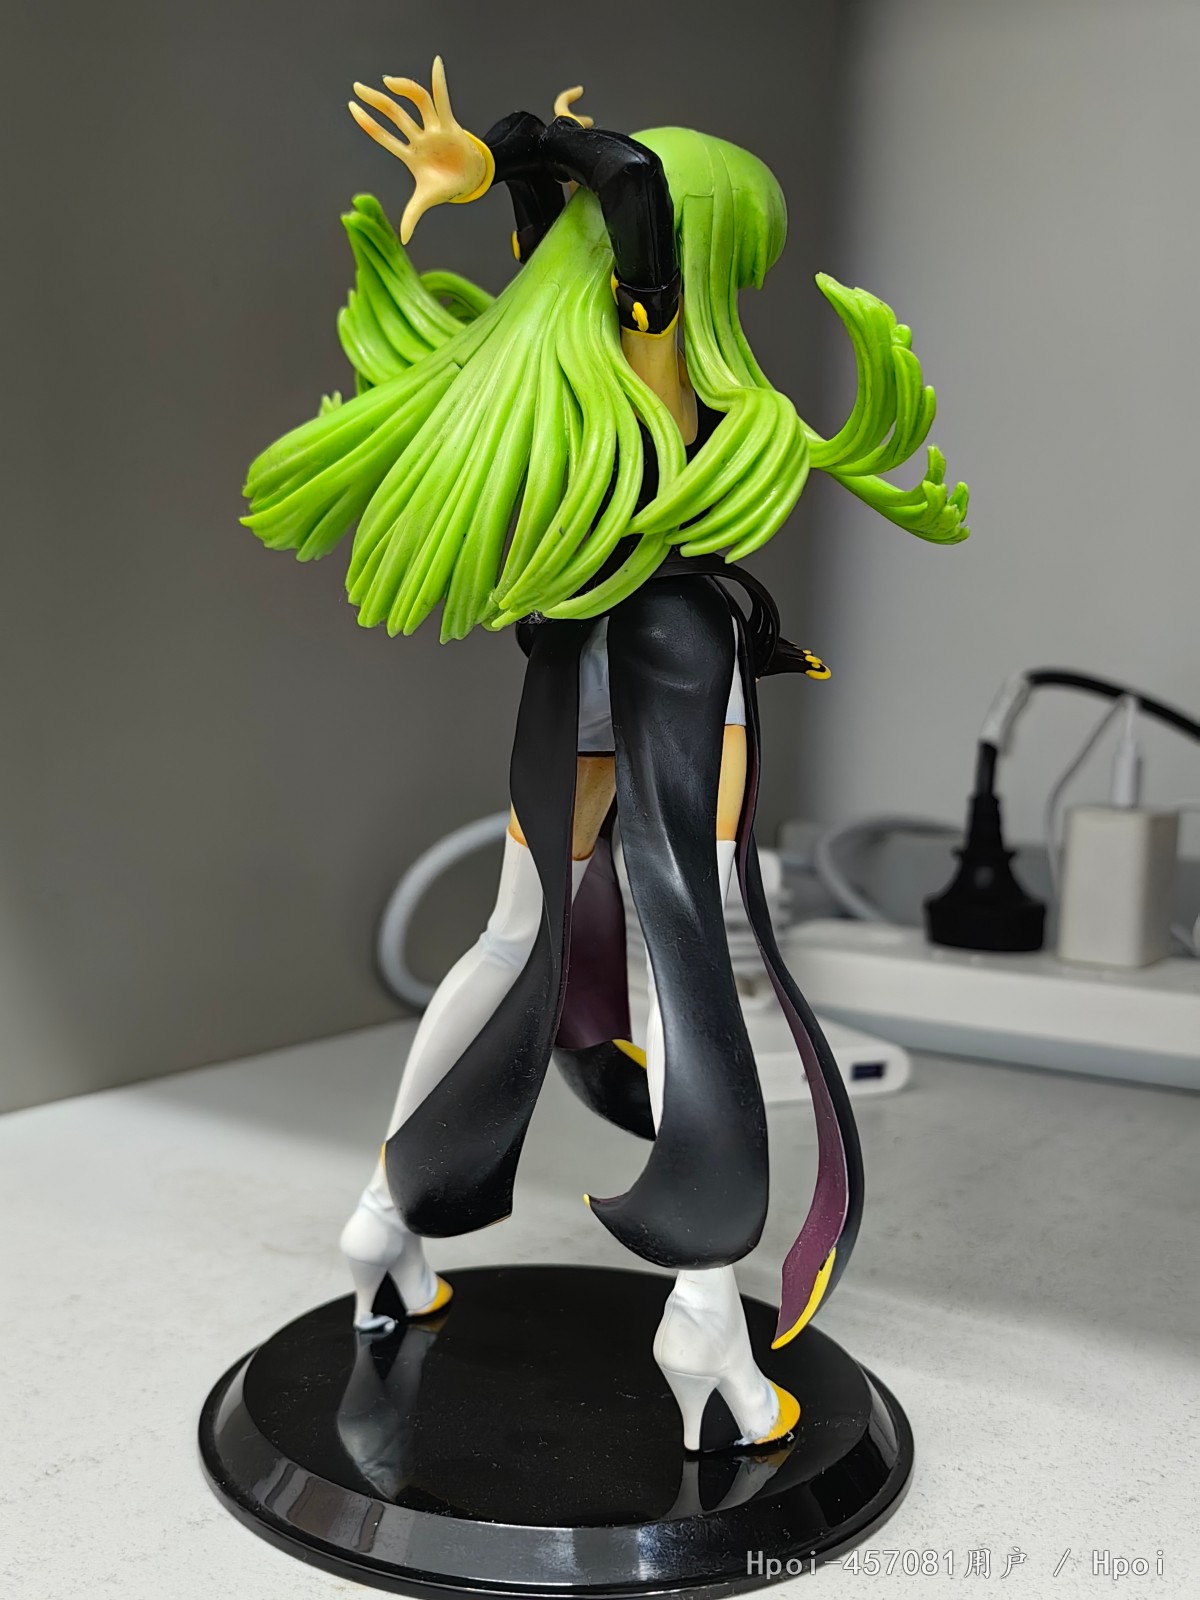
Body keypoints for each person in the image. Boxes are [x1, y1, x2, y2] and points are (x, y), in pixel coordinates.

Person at [243, 59, 969, 1451]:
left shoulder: (573, 332)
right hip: (675, 664)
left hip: (573, 653)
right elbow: (633, 186)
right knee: (685, 950)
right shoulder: (651, 337)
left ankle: (384, 1215)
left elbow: (598, 208)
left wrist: (509, 168)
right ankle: (703, 1309)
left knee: (514, 932)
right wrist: (542, 148)